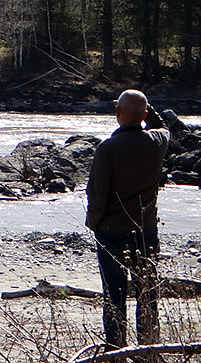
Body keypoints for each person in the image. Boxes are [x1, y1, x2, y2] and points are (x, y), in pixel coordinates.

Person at [85, 88, 170, 351]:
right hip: (146, 230)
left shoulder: (108, 149)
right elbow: (163, 126)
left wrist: (93, 223)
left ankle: (115, 349)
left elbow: (96, 192)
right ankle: (148, 348)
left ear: (117, 113)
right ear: (143, 115)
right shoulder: (156, 142)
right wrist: (146, 109)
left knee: (114, 294)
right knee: (147, 294)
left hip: (111, 232)